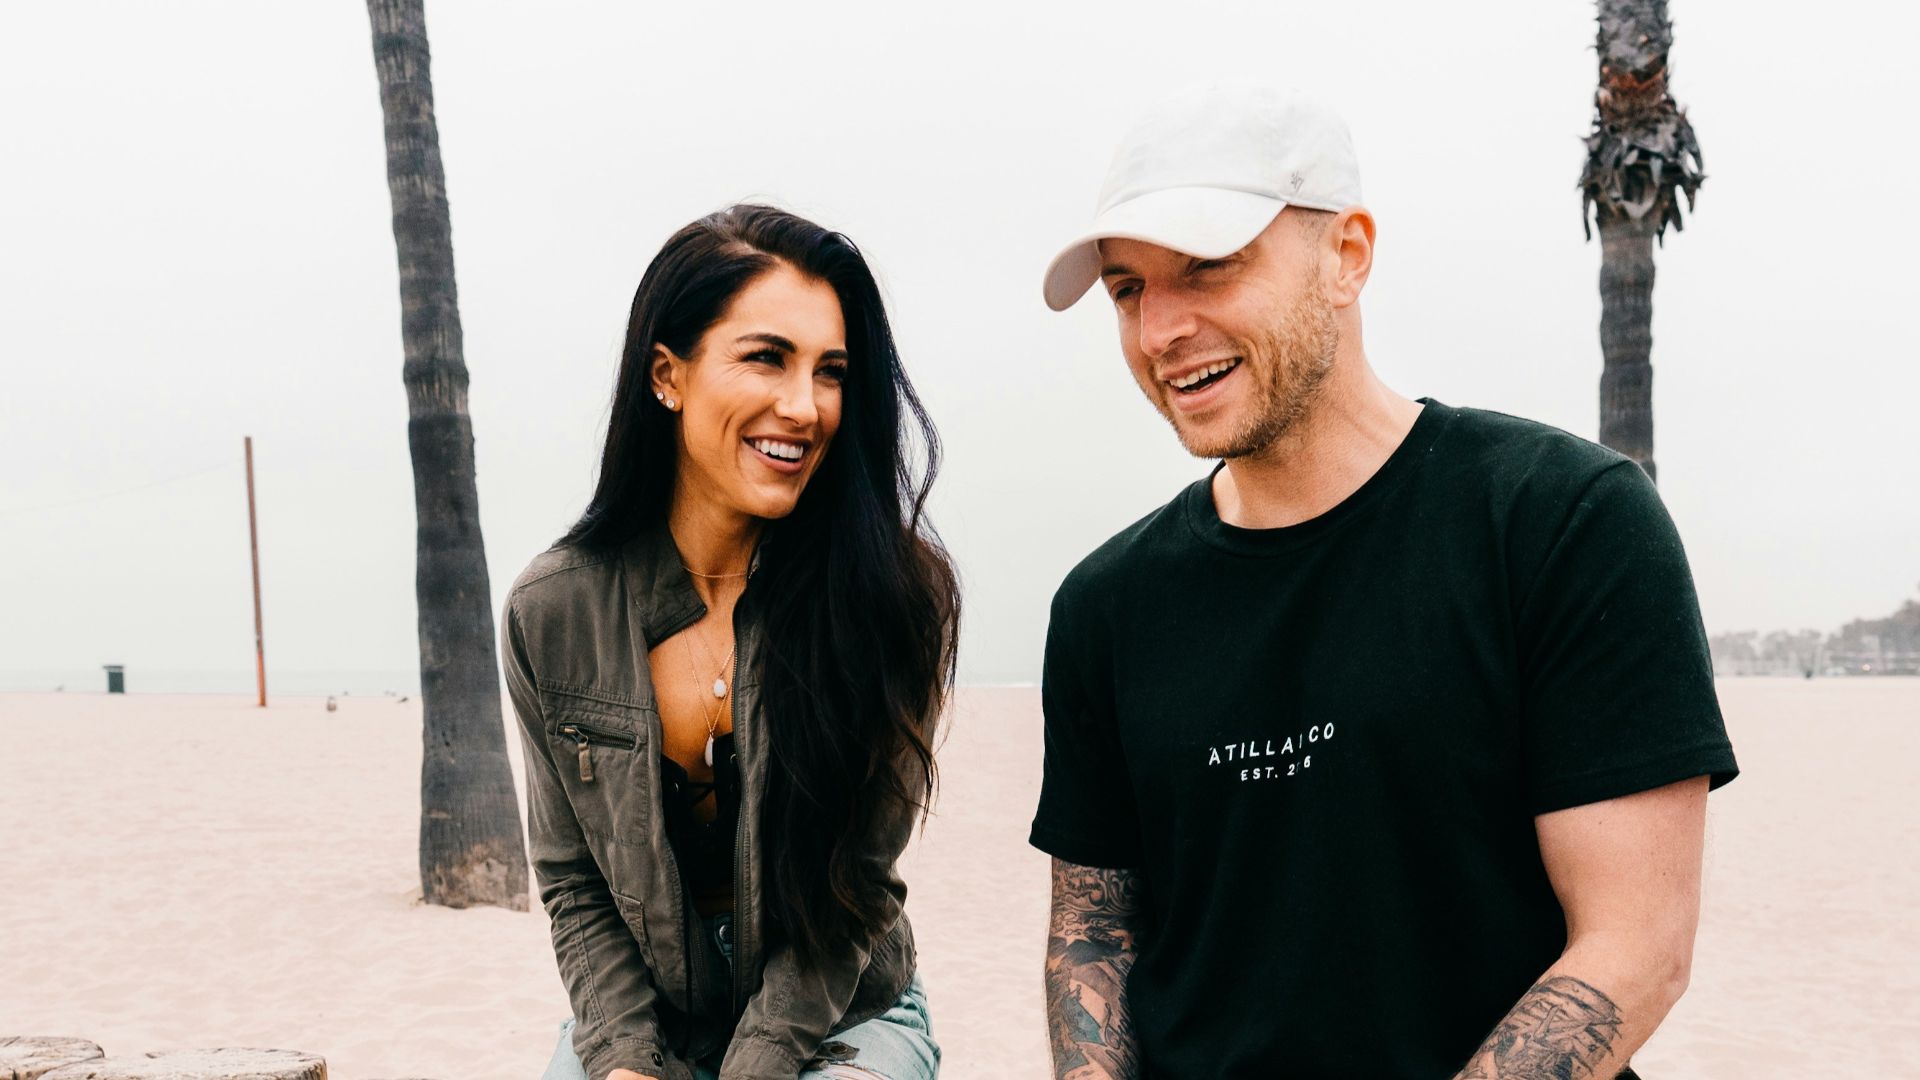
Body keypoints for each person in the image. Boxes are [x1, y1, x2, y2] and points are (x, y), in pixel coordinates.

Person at [1028, 85, 1739, 1079]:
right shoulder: (1106, 604)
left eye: (1208, 267)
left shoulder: (1561, 520)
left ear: (1348, 256)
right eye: (1126, 289)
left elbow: (1636, 947)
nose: (1159, 331)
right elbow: (1097, 931)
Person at [505, 204, 957, 1080]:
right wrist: (627, 1064)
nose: (804, 407)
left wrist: (754, 1069)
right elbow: (573, 884)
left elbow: (857, 888)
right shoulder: (553, 610)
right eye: (765, 357)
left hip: (844, 1011)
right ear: (668, 375)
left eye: (831, 372)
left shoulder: (892, 597)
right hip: (646, 1022)